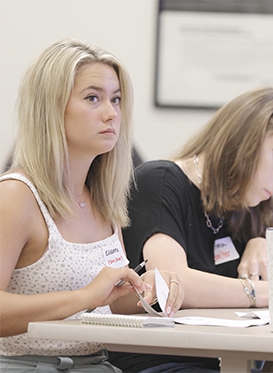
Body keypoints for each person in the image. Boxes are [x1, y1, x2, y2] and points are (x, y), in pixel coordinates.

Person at [109, 86, 273, 373]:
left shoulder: (245, 208)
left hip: (228, 362)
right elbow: (172, 285)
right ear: (244, 140)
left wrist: (265, 244)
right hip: (161, 363)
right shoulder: (159, 181)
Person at [0, 38, 183, 373]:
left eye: (115, 99)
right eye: (93, 98)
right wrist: (86, 296)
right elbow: (85, 298)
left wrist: (148, 291)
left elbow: (103, 304)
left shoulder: (102, 199)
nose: (112, 113)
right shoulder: (16, 196)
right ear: (50, 108)